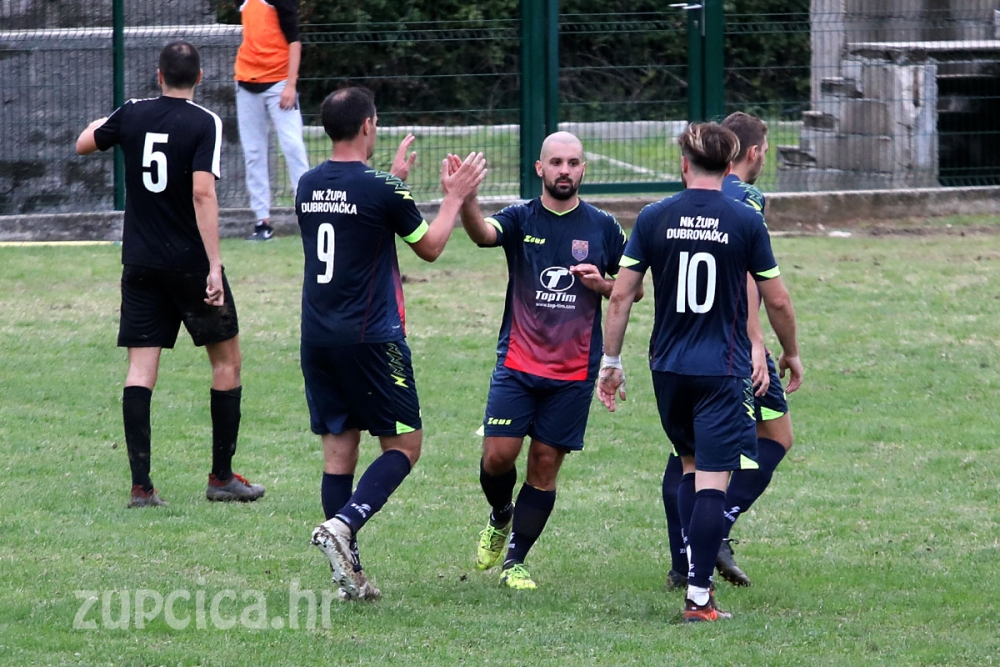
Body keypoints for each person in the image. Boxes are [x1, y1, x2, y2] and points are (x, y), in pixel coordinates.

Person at [597, 122, 802, 622]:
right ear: (731, 166)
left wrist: (611, 362)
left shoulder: (653, 217)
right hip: (722, 368)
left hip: (668, 368)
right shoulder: (744, 218)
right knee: (713, 479)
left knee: (689, 467)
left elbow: (621, 294)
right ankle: (698, 599)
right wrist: (790, 350)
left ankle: (690, 574)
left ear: (683, 164)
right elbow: (774, 296)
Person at [304, 86, 486, 601]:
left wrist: (393, 183)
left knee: (339, 454)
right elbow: (429, 247)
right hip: (371, 338)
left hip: (317, 336)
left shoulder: (306, 184)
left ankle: (349, 577)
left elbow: (353, 222)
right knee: (405, 445)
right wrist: (453, 197)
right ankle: (343, 526)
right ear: (367, 126)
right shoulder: (381, 189)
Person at [75, 41, 265, 508]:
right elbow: (203, 194)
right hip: (190, 265)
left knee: (141, 370)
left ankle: (142, 487)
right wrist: (215, 265)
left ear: (159, 76)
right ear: (198, 78)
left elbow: (84, 143)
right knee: (227, 363)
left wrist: (119, 118)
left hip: (139, 263)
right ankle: (221, 478)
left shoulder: (134, 112)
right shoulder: (205, 122)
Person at [457, 131, 636, 590]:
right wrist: (467, 200)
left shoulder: (603, 227)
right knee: (498, 457)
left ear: (583, 169)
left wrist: (601, 284)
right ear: (540, 168)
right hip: (517, 362)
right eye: (555, 162)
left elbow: (630, 288)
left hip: (574, 370)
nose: (564, 170)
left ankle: (515, 560)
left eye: (573, 163)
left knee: (543, 464)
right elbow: (482, 236)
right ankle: (500, 516)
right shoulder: (520, 216)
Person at [661, 111, 797, 589]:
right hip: (732, 348)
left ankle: (684, 564)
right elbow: (749, 278)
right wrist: (758, 342)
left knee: (688, 455)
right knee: (776, 437)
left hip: (680, 348)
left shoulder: (682, 202)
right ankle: (717, 528)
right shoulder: (747, 199)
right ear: (753, 153)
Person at [234, 0, 311, 240]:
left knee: (293, 146)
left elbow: (294, 41)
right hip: (246, 82)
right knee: (254, 152)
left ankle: (309, 214)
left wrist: (290, 84)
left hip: (279, 82)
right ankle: (262, 221)